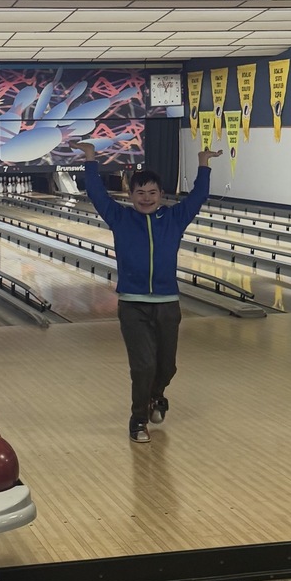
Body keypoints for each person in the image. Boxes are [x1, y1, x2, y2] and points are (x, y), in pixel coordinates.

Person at [74, 142, 222, 442]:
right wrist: (91, 158)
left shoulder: (174, 219)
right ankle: (138, 420)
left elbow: (198, 196)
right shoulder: (120, 218)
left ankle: (156, 396)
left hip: (168, 304)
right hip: (133, 305)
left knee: (166, 367)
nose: (146, 198)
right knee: (143, 366)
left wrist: (203, 163)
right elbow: (97, 194)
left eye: (152, 192)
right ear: (130, 196)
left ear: (161, 195)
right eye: (140, 193)